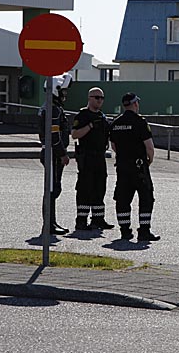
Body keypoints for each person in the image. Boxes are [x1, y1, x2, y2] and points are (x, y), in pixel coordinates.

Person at [109, 93, 160, 241]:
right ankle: (144, 231)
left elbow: (113, 146)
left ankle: (125, 231)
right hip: (138, 167)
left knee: (123, 199)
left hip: (122, 166)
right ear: (135, 104)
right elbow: (149, 147)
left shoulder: (116, 123)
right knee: (146, 197)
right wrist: (148, 160)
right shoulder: (140, 122)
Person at [71, 87, 114, 230]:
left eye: (102, 98)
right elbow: (75, 134)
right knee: (84, 188)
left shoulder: (103, 117)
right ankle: (81, 221)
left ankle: (98, 219)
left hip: (100, 157)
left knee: (99, 188)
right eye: (97, 97)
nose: (100, 101)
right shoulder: (82, 116)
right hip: (86, 157)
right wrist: (89, 126)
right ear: (89, 98)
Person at [37, 73, 73, 236]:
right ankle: (49, 225)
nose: (65, 95)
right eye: (63, 91)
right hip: (53, 155)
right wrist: (63, 154)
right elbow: (54, 136)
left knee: (53, 189)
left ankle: (51, 223)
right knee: (52, 190)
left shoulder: (50, 108)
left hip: (51, 154)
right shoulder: (54, 110)